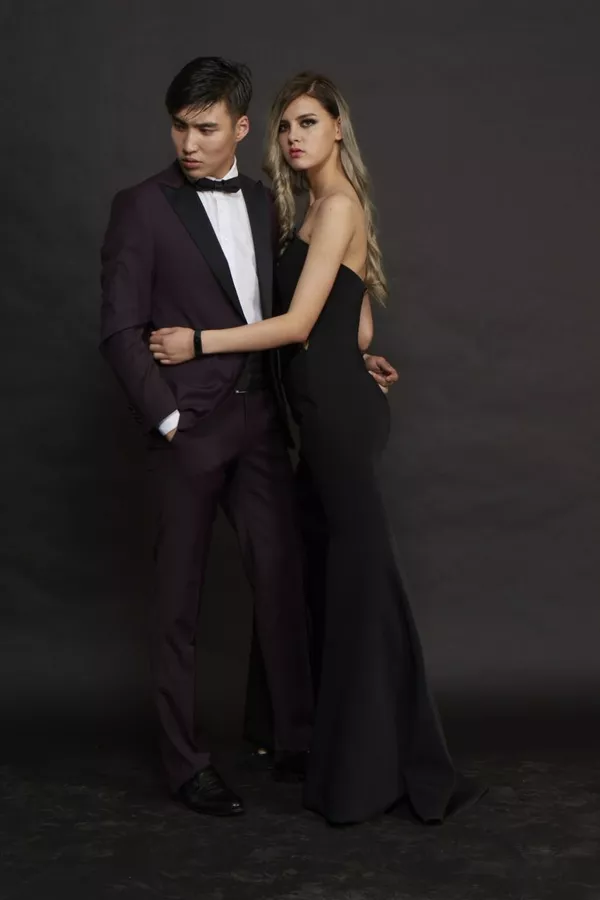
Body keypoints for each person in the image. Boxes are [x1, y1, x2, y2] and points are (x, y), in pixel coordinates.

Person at [149, 72, 484, 825]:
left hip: (337, 419)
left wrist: (198, 342)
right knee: (323, 577)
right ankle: (325, 745)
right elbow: (351, 322)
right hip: (326, 408)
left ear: (338, 128)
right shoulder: (309, 211)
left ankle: (384, 766)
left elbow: (298, 326)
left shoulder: (338, 207)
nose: (294, 136)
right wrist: (356, 356)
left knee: (363, 583)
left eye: (308, 122)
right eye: (285, 125)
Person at [100, 57, 396, 818]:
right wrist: (169, 419)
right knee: (178, 605)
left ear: (238, 128)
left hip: (263, 422)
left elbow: (304, 309)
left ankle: (297, 739)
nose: (188, 144)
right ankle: (186, 764)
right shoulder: (141, 207)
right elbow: (119, 331)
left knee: (283, 584)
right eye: (179, 128)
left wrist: (352, 357)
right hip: (188, 431)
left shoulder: (269, 204)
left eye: (205, 129)